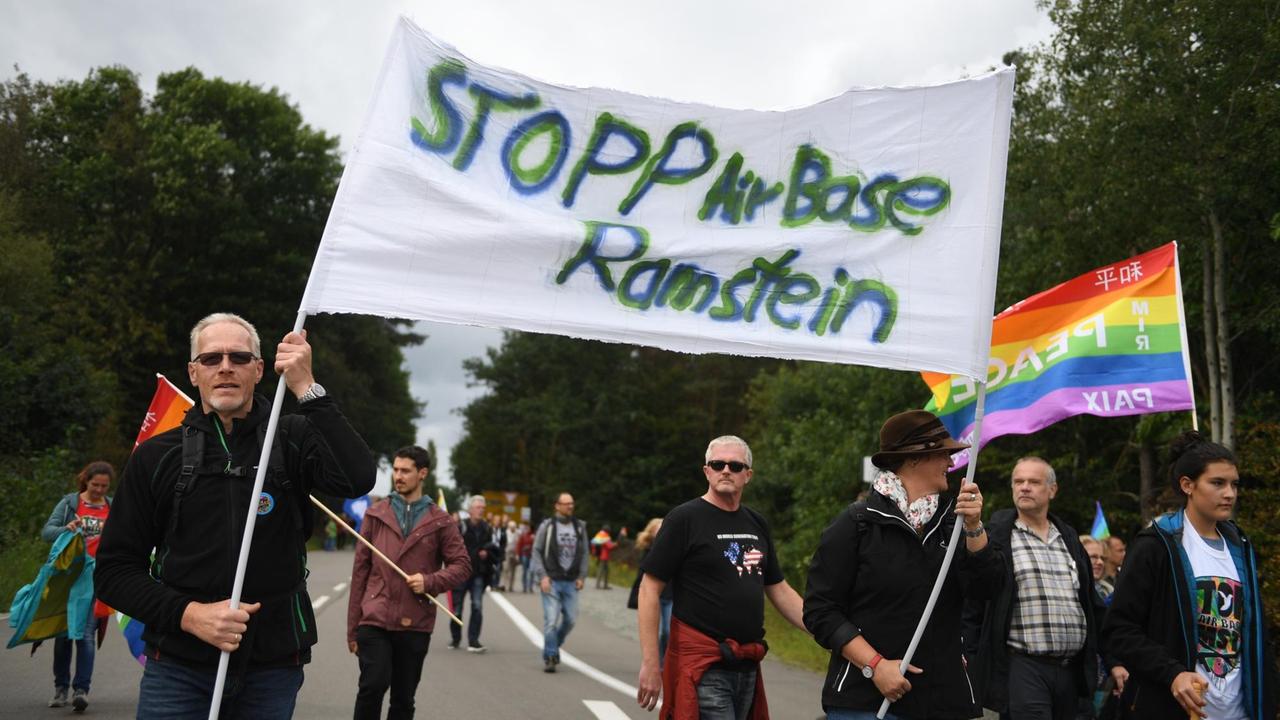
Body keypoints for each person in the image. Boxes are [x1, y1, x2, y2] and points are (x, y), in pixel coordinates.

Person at [95, 312, 376, 718]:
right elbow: (114, 571)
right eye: (211, 359)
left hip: (272, 667)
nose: (225, 367)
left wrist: (307, 388)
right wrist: (190, 616)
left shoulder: (291, 439)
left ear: (260, 369)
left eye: (239, 358)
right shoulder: (156, 457)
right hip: (177, 666)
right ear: (194, 373)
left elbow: (357, 478)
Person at [804, 409, 1001, 720]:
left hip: (943, 702)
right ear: (913, 459)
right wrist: (876, 665)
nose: (951, 463)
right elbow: (820, 610)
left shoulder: (955, 524)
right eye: (943, 454)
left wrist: (975, 527)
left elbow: (987, 589)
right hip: (866, 702)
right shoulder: (857, 523)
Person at [1102, 431, 1277, 720]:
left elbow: (1257, 635)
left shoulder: (1241, 548)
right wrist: (1172, 674)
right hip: (1174, 709)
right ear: (1187, 485)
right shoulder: (1155, 545)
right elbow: (1118, 631)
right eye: (1217, 483)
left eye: (1234, 484)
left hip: (1240, 712)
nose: (1230, 493)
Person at [636, 435, 807, 718]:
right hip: (705, 666)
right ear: (707, 471)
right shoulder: (684, 519)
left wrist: (826, 630)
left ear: (748, 475)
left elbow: (778, 588)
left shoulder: (756, 522)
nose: (726, 470)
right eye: (717, 464)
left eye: (735, 466)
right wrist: (652, 663)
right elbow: (649, 589)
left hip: (747, 665)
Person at [965, 457, 1100, 720]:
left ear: (1052, 490)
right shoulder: (998, 535)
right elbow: (975, 596)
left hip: (1071, 669)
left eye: (1034, 482)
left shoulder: (1068, 537)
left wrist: (1114, 661)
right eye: (1018, 481)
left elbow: (1091, 603)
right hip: (1023, 665)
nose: (1024, 487)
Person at [348, 445, 470, 720]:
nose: (398, 476)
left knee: (403, 699)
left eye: (406, 471)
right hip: (374, 618)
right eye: (395, 470)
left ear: (422, 473)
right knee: (372, 685)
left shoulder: (440, 520)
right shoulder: (376, 514)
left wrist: (430, 581)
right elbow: (360, 573)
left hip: (414, 621)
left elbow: (462, 566)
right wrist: (352, 628)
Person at [41, 460, 115, 712]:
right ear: (86, 481)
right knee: (64, 636)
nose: (99, 490)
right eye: (95, 485)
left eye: (104, 486)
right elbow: (47, 532)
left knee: (85, 635)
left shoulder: (111, 507)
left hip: (96, 580)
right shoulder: (70, 504)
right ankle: (60, 688)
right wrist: (67, 527)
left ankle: (81, 690)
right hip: (67, 579)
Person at [530, 492, 589, 673]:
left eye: (572, 503)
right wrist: (543, 576)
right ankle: (550, 657)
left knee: (570, 620)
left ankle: (554, 644)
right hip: (552, 580)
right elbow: (537, 551)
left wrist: (581, 576)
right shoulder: (547, 526)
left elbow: (585, 553)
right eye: (566, 504)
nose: (570, 506)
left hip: (571, 581)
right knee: (551, 621)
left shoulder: (579, 527)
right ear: (557, 505)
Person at [1077, 536, 1126, 719]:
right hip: (1076, 681)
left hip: (1104, 679)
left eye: (1102, 558)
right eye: (1092, 557)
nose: (1099, 562)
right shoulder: (1069, 593)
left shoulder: (1109, 591)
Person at [449, 495, 497, 652]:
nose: (481, 510)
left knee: (477, 606)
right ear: (470, 510)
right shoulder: (460, 527)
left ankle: (473, 640)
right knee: (457, 608)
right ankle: (456, 638)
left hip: (478, 573)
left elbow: (495, 550)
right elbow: (450, 547)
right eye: (478, 507)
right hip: (461, 573)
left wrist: (487, 553)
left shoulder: (488, 528)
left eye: (482, 508)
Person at [627, 518, 674, 664]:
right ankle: (656, 662)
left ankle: (664, 660)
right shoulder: (649, 551)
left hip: (671, 595)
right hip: (655, 597)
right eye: (657, 529)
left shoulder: (675, 548)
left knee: (668, 631)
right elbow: (642, 577)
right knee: (658, 632)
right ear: (652, 532)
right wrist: (637, 595)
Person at [502, 520, 522, 592]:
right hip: (507, 552)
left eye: (514, 527)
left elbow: (519, 543)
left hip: (515, 552)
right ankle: (505, 585)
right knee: (506, 569)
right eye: (511, 527)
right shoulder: (505, 532)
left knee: (513, 570)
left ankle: (511, 586)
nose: (513, 528)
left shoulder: (518, 533)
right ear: (509, 527)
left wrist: (518, 554)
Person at [516, 523, 535, 593]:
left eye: (529, 528)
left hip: (532, 555)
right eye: (526, 528)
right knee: (524, 571)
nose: (528, 529)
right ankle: (524, 586)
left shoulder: (533, 535)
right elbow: (519, 545)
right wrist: (518, 554)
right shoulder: (523, 536)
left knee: (531, 571)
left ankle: (530, 587)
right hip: (524, 555)